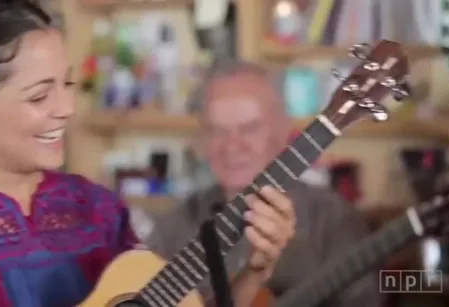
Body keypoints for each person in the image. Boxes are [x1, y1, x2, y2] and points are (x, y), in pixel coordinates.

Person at [0, 1, 296, 306]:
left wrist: (255, 271)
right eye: (40, 96)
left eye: (68, 84)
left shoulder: (95, 206)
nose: (67, 108)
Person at [146, 59, 382, 307]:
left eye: (249, 128)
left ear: (281, 131)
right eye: (217, 131)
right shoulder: (172, 229)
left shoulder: (334, 221)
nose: (232, 146)